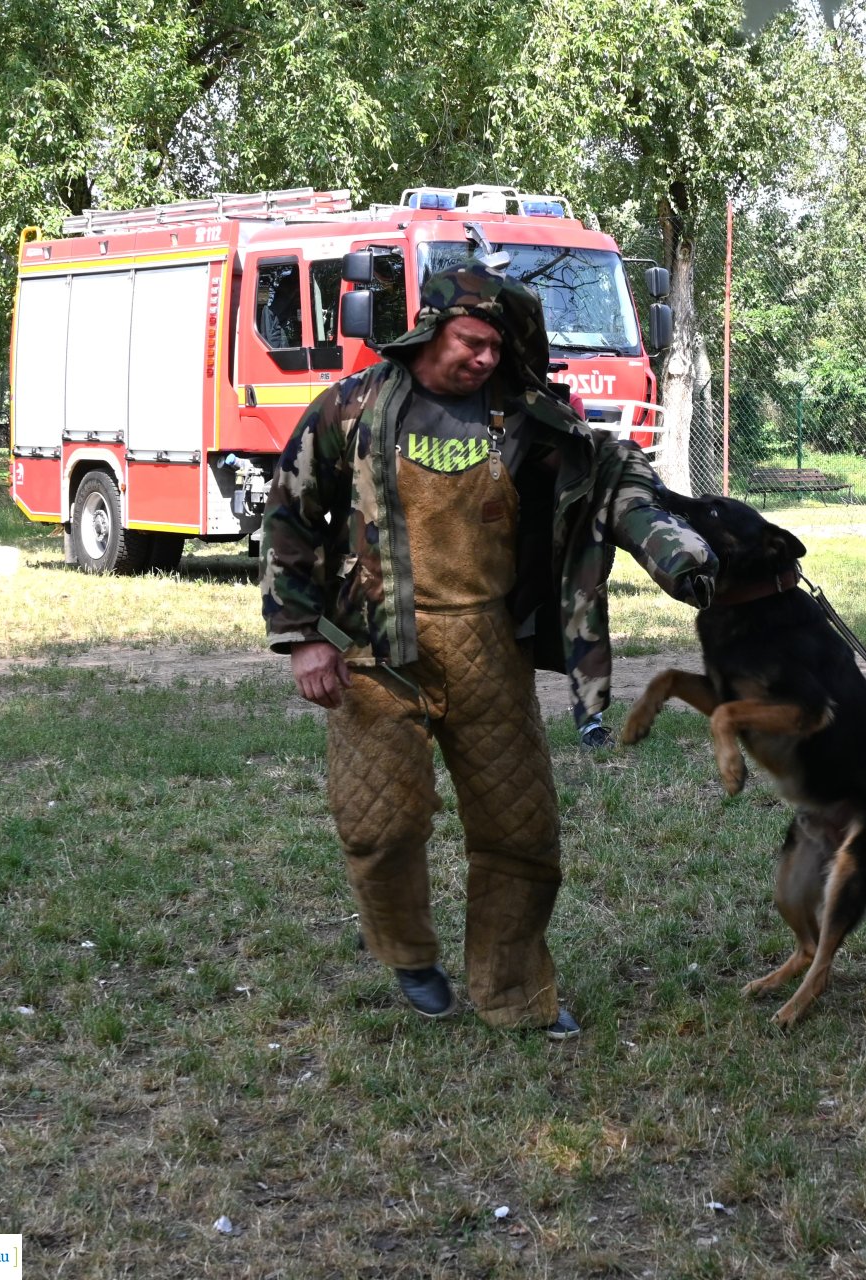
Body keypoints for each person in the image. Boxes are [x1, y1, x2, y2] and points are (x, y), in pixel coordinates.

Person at [261, 265, 714, 1037]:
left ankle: (513, 994)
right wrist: (302, 639)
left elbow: (604, 467)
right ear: (432, 329)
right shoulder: (353, 409)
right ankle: (408, 954)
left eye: (495, 346)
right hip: (376, 654)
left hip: (487, 651)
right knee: (381, 825)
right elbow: (290, 516)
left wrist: (668, 539)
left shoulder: (526, 416)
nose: (482, 358)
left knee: (520, 831)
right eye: (472, 341)